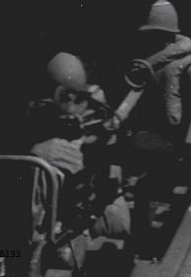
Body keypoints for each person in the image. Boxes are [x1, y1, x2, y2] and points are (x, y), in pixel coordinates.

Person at [125, 0, 191, 256]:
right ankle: (144, 243)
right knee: (145, 195)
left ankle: (150, 246)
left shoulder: (186, 65)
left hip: (168, 141)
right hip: (153, 137)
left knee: (154, 195)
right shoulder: (150, 62)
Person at [28, 52, 130, 245]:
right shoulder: (101, 131)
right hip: (112, 218)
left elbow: (34, 221)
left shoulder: (45, 153)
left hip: (70, 240)